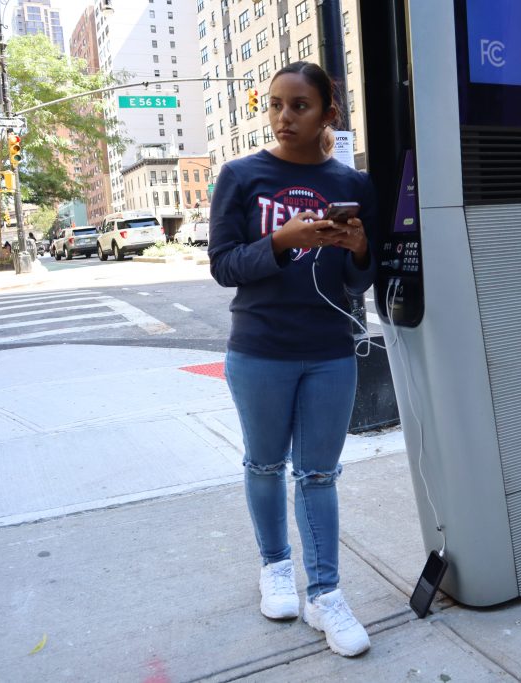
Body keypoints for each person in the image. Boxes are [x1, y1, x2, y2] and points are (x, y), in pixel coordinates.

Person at [208, 61, 377, 658]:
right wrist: (282, 241)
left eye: (299, 106)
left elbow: (361, 282)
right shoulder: (240, 175)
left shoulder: (352, 184)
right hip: (260, 349)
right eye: (276, 104)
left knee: (319, 474)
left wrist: (357, 250)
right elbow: (224, 265)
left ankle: (325, 594)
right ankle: (276, 566)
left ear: (328, 112)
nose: (284, 117)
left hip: (330, 352)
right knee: (263, 465)